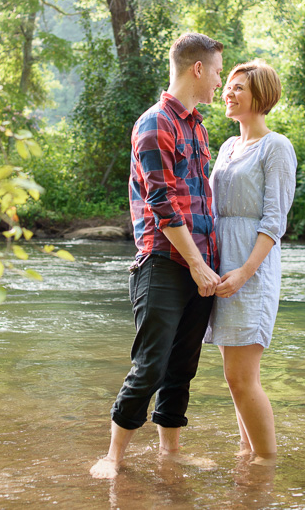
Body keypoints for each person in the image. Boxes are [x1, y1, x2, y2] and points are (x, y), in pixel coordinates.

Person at [90, 33, 224, 479]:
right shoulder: (154, 124)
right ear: (197, 69)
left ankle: (170, 452)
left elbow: (202, 197)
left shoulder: (199, 126)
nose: (220, 82)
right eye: (218, 71)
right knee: (149, 365)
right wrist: (198, 264)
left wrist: (209, 264)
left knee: (182, 366)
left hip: (202, 265)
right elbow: (163, 204)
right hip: (164, 264)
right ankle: (113, 457)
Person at [204, 59, 296, 464]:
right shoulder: (227, 146)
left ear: (261, 96)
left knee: (244, 376)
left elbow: (275, 222)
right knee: (233, 377)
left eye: (239, 88)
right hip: (222, 265)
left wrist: (244, 271)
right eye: (230, 86)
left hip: (250, 269)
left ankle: (266, 463)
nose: (228, 92)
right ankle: (248, 453)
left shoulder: (276, 147)